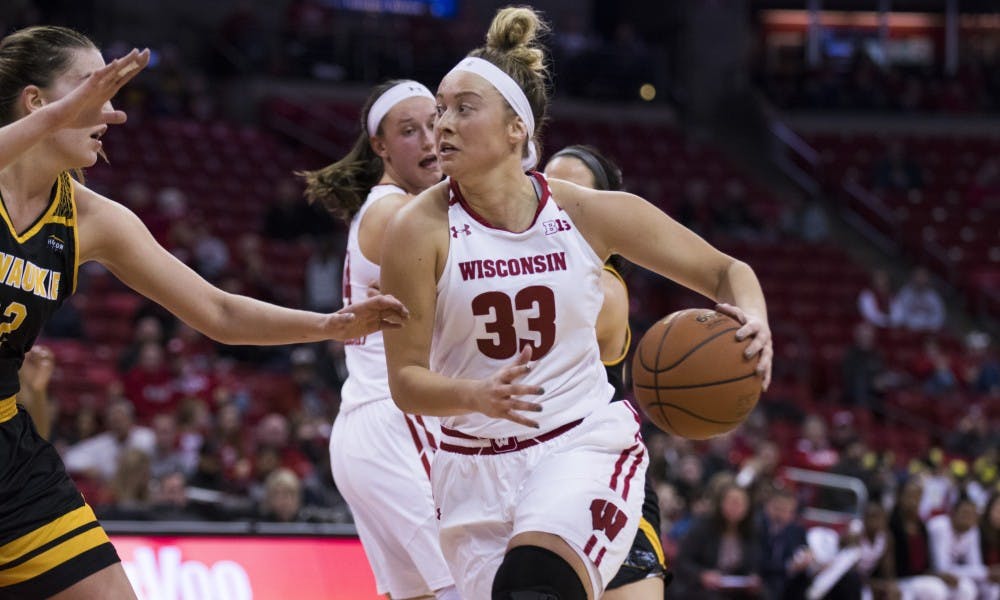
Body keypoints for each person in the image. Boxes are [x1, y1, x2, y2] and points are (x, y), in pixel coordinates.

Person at [0, 26, 407, 599]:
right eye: (91, 90)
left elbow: (217, 311)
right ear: (36, 101)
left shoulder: (91, 219)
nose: (109, 111)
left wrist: (329, 325)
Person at [380, 7, 772, 599]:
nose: (443, 126)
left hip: (576, 445)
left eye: (464, 109)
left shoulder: (585, 213)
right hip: (471, 468)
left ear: (517, 129)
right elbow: (406, 381)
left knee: (535, 584)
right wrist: (473, 395)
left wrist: (755, 320)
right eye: (440, 110)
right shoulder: (416, 229)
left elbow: (726, 272)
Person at [300, 79, 458, 600]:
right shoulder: (399, 213)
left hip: (370, 426)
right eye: (409, 131)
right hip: (397, 425)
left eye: (434, 123)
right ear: (381, 146)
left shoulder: (393, 206)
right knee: (467, 583)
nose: (430, 139)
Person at [543, 144, 668, 600]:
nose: (558, 205)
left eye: (574, 195)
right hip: (532, 475)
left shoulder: (603, 287)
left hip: (599, 482)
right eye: (548, 190)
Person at [673, 483, 762, 598]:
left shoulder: (752, 532)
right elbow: (683, 561)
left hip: (736, 589)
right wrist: (702, 575)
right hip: (703, 588)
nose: (735, 507)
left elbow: (756, 564)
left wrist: (753, 578)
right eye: (732, 502)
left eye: (740, 503)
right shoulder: (703, 527)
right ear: (721, 503)